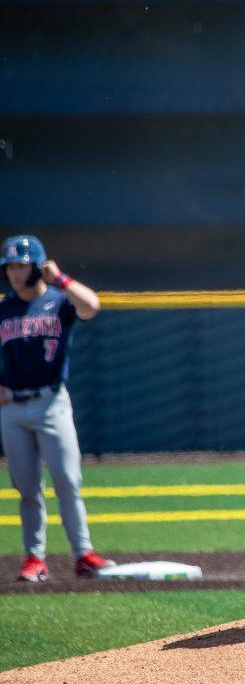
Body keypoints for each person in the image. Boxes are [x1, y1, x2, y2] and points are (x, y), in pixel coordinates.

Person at [1, 235, 112, 582]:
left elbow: (91, 305)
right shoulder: (4, 308)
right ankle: (35, 558)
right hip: (13, 408)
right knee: (27, 487)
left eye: (21, 265)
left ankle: (83, 554)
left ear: (37, 265)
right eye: (11, 267)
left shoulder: (58, 301)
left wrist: (60, 278)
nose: (15, 273)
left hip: (51, 402)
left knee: (67, 479)